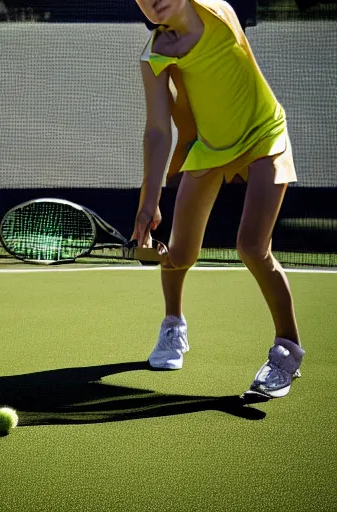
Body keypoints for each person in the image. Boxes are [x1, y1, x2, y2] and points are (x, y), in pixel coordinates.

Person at [132, 0, 305, 398]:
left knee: (251, 247)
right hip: (211, 148)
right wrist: (148, 200)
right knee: (177, 254)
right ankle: (173, 325)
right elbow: (158, 131)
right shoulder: (154, 55)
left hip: (265, 135)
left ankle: (287, 350)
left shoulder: (217, 9)